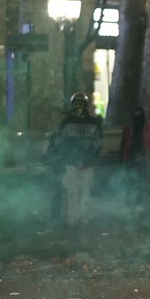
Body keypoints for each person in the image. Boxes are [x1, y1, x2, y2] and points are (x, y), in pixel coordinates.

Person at [48, 92, 103, 227]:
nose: (79, 108)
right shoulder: (66, 122)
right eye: (76, 104)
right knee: (72, 192)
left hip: (88, 163)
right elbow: (59, 141)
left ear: (85, 105)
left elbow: (99, 143)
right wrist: (63, 155)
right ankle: (72, 218)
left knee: (86, 192)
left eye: (81, 104)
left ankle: (84, 217)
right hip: (71, 162)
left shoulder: (93, 122)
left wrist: (92, 155)